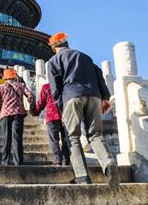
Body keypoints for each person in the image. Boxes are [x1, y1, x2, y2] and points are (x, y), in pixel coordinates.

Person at [47, 32, 119, 188]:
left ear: (53, 47)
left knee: (73, 137)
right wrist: (105, 98)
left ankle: (82, 176)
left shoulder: (54, 61)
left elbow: (55, 88)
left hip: (71, 96)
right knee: (95, 134)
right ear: (66, 44)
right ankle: (108, 163)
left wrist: (61, 105)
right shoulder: (85, 57)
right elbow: (99, 74)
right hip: (94, 96)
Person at [0, 68, 34, 165]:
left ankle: (5, 161)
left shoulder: (1, 87)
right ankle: (18, 162)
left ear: (5, 77)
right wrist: (31, 104)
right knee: (17, 138)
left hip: (5, 114)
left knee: (6, 138)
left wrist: (2, 108)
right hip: (18, 113)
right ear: (14, 76)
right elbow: (31, 96)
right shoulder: (21, 85)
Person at [32, 83, 70, 165]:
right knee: (66, 139)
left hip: (51, 115)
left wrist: (35, 112)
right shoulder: (65, 85)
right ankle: (66, 160)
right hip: (65, 114)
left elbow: (41, 103)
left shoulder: (46, 87)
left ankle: (57, 159)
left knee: (54, 139)